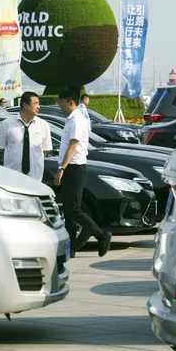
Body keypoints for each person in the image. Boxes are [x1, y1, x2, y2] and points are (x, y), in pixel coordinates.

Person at [55, 85, 112, 258]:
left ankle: (101, 235)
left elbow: (73, 146)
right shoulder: (70, 119)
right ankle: (70, 247)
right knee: (69, 211)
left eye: (61, 103)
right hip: (71, 169)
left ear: (70, 102)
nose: (59, 106)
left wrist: (61, 168)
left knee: (74, 209)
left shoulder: (77, 120)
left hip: (75, 169)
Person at [0, 91, 52, 181]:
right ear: (25, 105)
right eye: (35, 104)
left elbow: (45, 150)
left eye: (38, 104)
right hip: (12, 177)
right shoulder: (6, 124)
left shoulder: (43, 125)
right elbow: (1, 148)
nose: (38, 107)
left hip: (35, 177)